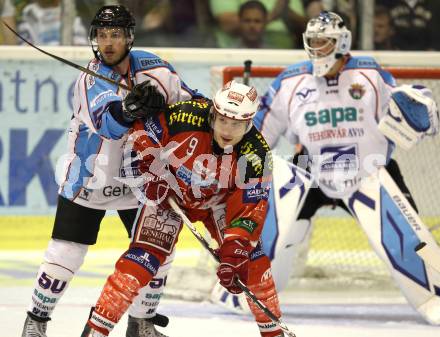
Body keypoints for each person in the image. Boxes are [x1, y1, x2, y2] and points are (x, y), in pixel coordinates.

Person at [21, 5, 202, 337]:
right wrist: (132, 107)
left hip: (141, 179)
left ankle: (141, 322)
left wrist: (190, 113)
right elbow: (108, 124)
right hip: (91, 176)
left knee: (158, 250)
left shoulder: (157, 69)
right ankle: (36, 320)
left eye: (115, 34)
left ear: (129, 37)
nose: (107, 43)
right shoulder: (88, 77)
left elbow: (193, 106)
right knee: (66, 253)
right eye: (102, 35)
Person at [252, 11, 440, 324]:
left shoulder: (369, 74)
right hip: (310, 167)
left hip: (370, 169)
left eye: (324, 42)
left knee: (409, 237)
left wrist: (425, 110)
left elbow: (411, 115)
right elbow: (259, 135)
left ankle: (434, 293)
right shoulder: (290, 81)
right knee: (264, 219)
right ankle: (251, 288)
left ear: (342, 42)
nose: (317, 48)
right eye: (312, 41)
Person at [80, 81, 287, 337]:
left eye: (237, 124)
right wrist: (151, 172)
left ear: (248, 124)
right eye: (223, 120)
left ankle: (273, 333)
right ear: (213, 113)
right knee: (142, 259)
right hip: (171, 194)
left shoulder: (257, 155)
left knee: (253, 263)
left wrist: (235, 249)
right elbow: (140, 133)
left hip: (218, 203)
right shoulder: (184, 115)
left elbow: (249, 209)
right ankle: (96, 329)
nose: (228, 129)